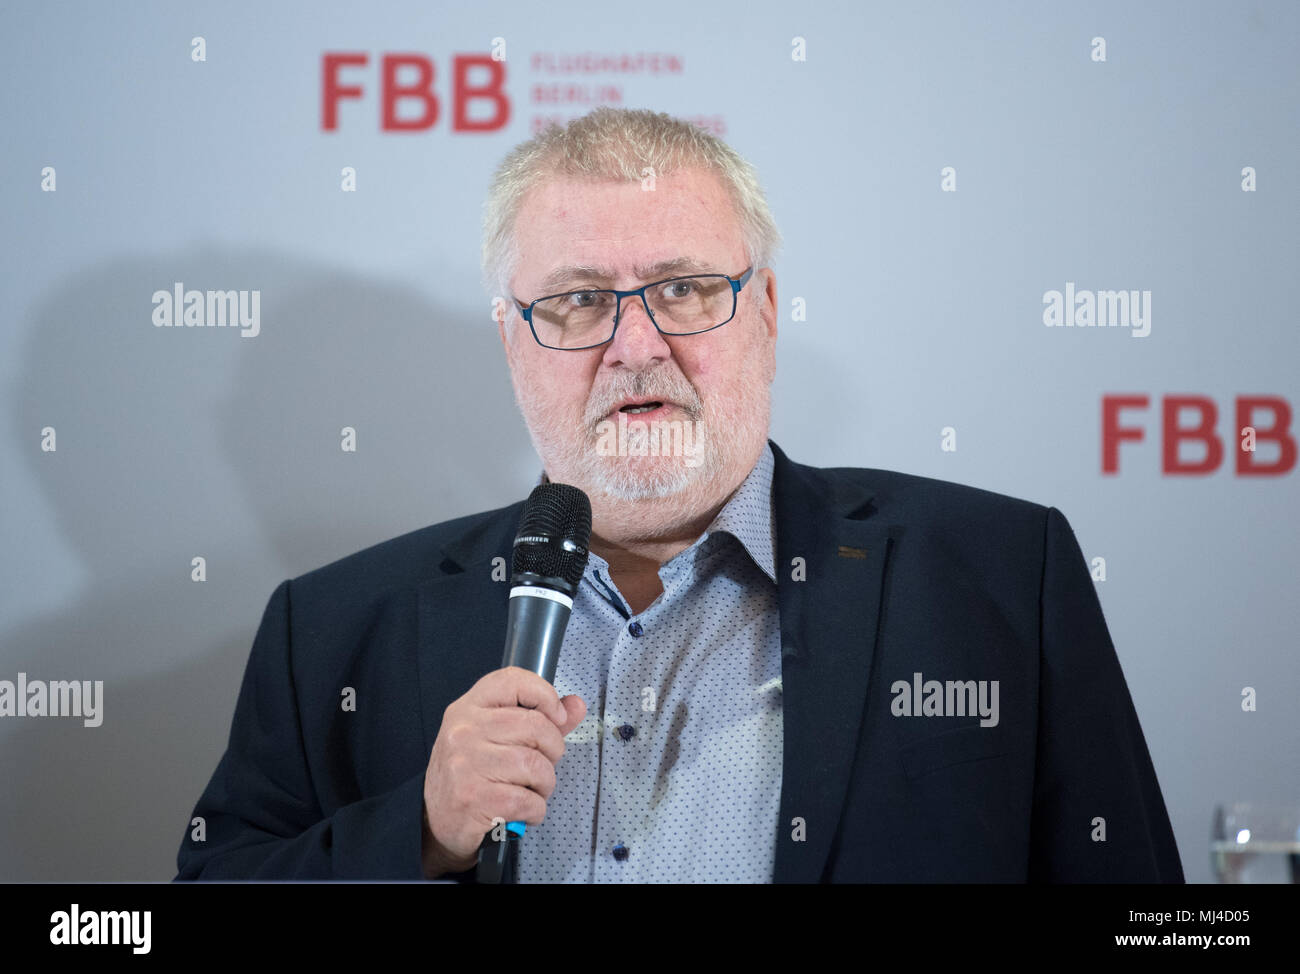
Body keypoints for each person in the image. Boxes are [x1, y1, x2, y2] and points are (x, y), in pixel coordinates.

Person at [175, 106, 1183, 883]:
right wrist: (424, 831)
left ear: (769, 312)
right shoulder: (335, 625)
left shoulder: (1000, 575)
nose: (638, 343)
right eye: (577, 300)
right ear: (510, 337)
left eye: (685, 289)